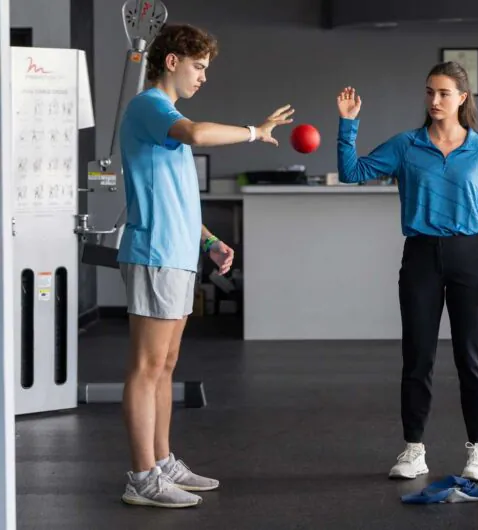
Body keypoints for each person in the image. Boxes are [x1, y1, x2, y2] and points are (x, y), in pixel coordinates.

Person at [115, 23, 295, 508]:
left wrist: (211, 240)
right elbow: (197, 133)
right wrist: (256, 132)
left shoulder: (165, 115)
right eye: (199, 67)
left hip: (176, 254)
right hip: (154, 253)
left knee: (166, 366)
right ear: (171, 61)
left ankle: (162, 461)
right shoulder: (151, 107)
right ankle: (141, 477)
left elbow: (176, 197)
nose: (203, 77)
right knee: (146, 366)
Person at [336, 61, 478, 482]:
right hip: (421, 258)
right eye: (430, 92)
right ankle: (414, 450)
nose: (434, 100)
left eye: (444, 93)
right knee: (417, 358)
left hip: (471, 256)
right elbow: (351, 172)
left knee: (473, 360)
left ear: (462, 98)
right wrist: (348, 125)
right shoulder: (406, 145)